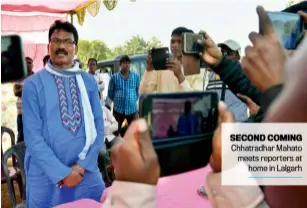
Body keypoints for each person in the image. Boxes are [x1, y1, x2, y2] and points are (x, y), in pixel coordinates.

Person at [22, 20, 105, 207]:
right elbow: (32, 137)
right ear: (49, 46)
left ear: (75, 48)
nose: (61, 46)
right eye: (56, 41)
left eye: (68, 41)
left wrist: (81, 167)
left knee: (97, 200)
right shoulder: (33, 85)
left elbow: (99, 128)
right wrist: (63, 173)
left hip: (86, 170)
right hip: (47, 175)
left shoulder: (88, 82)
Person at [139, 27, 205, 94]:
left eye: (180, 42)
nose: (175, 45)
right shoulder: (161, 66)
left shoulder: (198, 70)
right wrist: (149, 69)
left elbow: (197, 99)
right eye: (173, 42)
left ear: (189, 45)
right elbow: (143, 93)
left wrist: (180, 76)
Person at [205, 39, 248, 122]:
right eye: (223, 53)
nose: (225, 56)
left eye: (229, 54)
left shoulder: (243, 72)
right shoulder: (211, 74)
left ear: (238, 56)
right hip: (218, 124)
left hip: (237, 123)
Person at [107, 55, 140, 136]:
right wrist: (107, 106)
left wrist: (137, 106)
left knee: (135, 133)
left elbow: (138, 91)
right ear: (120, 65)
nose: (127, 65)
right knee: (115, 132)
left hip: (132, 111)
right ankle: (114, 146)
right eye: (124, 63)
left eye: (128, 63)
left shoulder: (136, 76)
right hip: (118, 110)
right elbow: (110, 93)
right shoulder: (114, 77)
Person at [14, 56, 34, 143]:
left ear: (32, 65)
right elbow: (16, 92)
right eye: (26, 62)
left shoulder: (37, 77)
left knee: (34, 136)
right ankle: (20, 156)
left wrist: (23, 88)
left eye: (30, 62)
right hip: (22, 113)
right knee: (21, 137)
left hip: (34, 113)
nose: (28, 64)